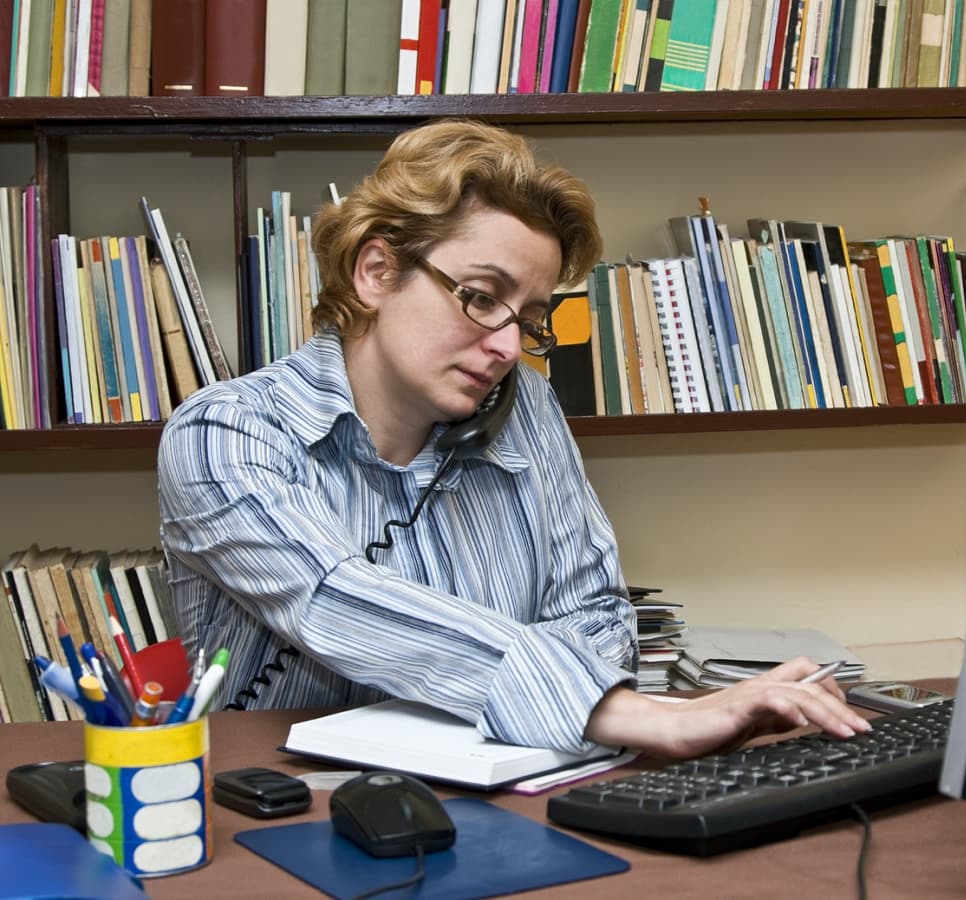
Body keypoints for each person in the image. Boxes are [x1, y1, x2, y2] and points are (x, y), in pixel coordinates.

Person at [157, 119, 871, 756]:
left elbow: (595, 618)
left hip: (502, 793)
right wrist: (629, 713)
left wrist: (567, 704)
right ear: (375, 271)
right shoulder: (224, 435)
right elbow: (334, 598)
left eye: (528, 317)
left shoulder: (522, 406)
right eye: (479, 296)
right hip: (281, 814)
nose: (505, 346)